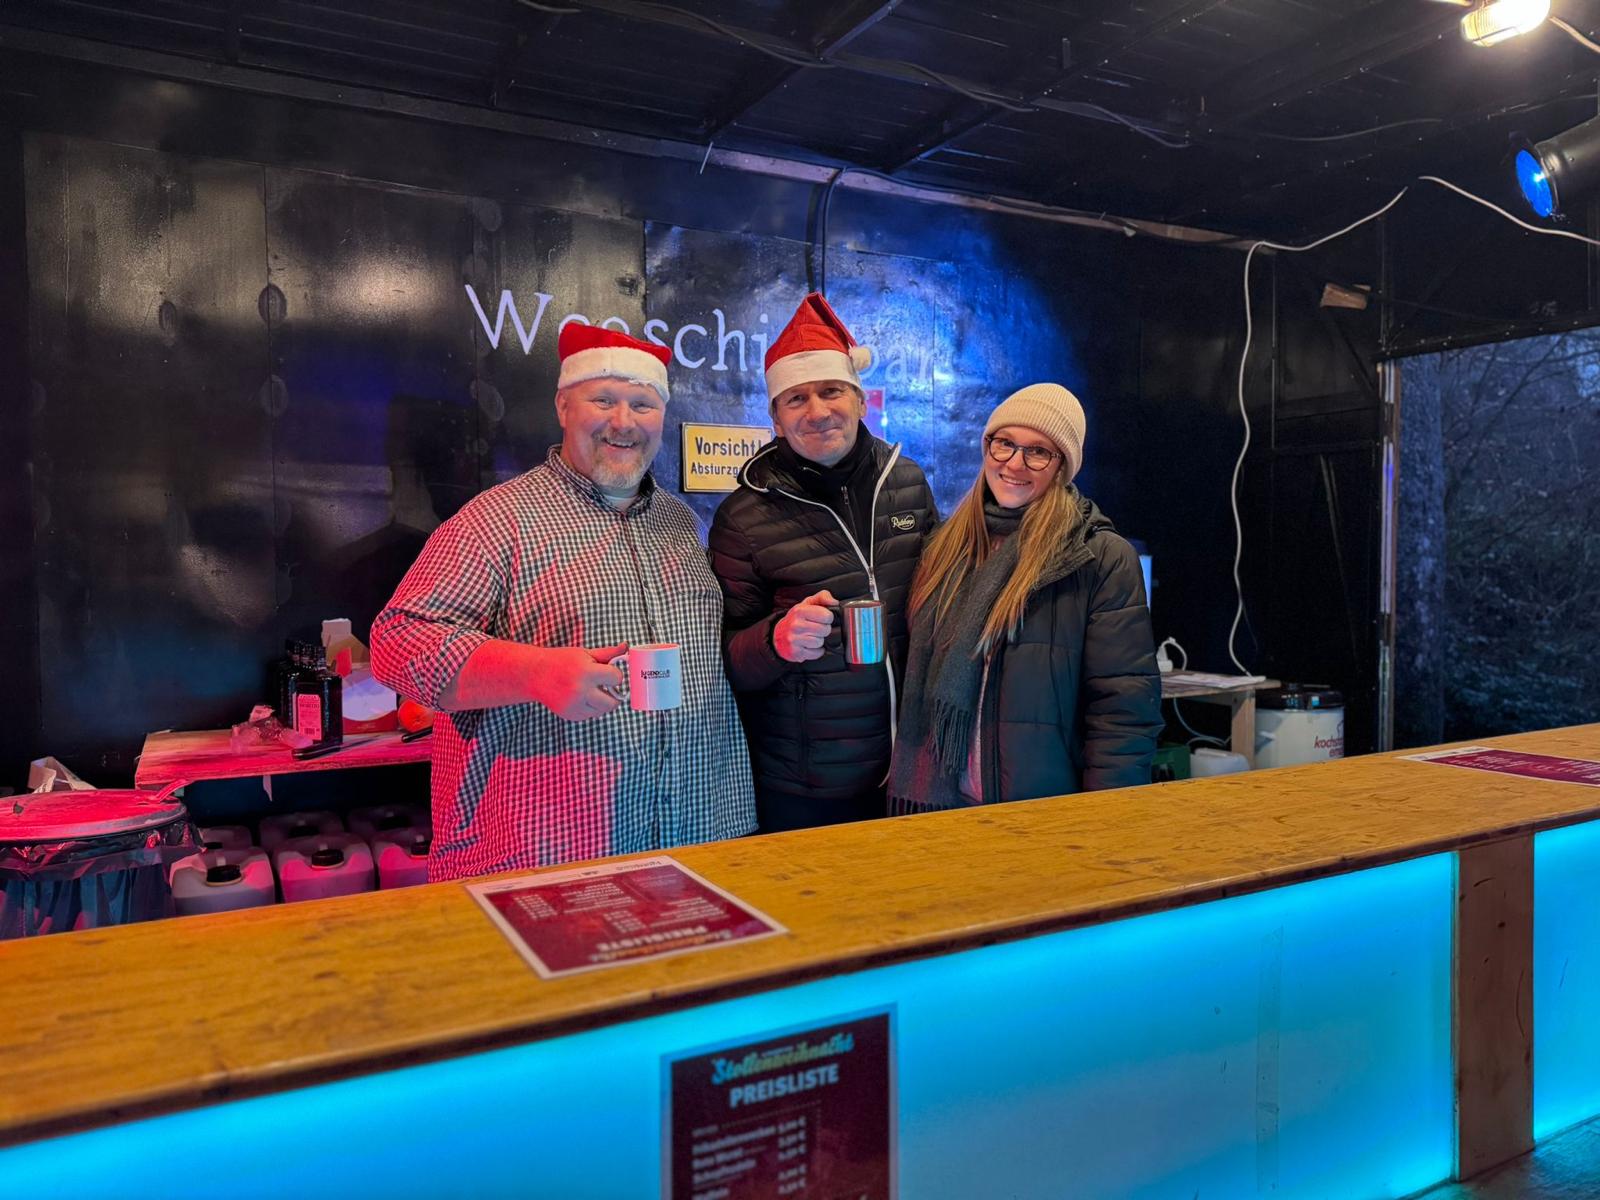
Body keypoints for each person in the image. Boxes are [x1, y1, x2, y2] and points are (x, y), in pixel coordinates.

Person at [371, 324, 755, 878]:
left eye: (642, 405)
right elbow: (397, 643)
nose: (623, 422)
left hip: (698, 839)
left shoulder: (679, 521)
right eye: (603, 400)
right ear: (563, 407)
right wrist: (534, 672)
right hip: (548, 856)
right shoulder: (498, 520)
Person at [710, 293, 938, 832]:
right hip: (807, 784)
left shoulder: (908, 483)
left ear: (860, 400)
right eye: (796, 398)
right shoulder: (744, 515)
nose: (816, 412)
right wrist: (776, 641)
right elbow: (724, 661)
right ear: (775, 417)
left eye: (831, 390)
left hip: (912, 768)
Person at [887, 383, 1161, 813]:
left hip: (1040, 814)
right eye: (1005, 443)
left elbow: (1123, 712)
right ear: (987, 448)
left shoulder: (1096, 557)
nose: (1015, 463)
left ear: (1062, 466)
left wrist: (1106, 819)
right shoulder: (943, 547)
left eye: (1038, 452)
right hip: (941, 811)